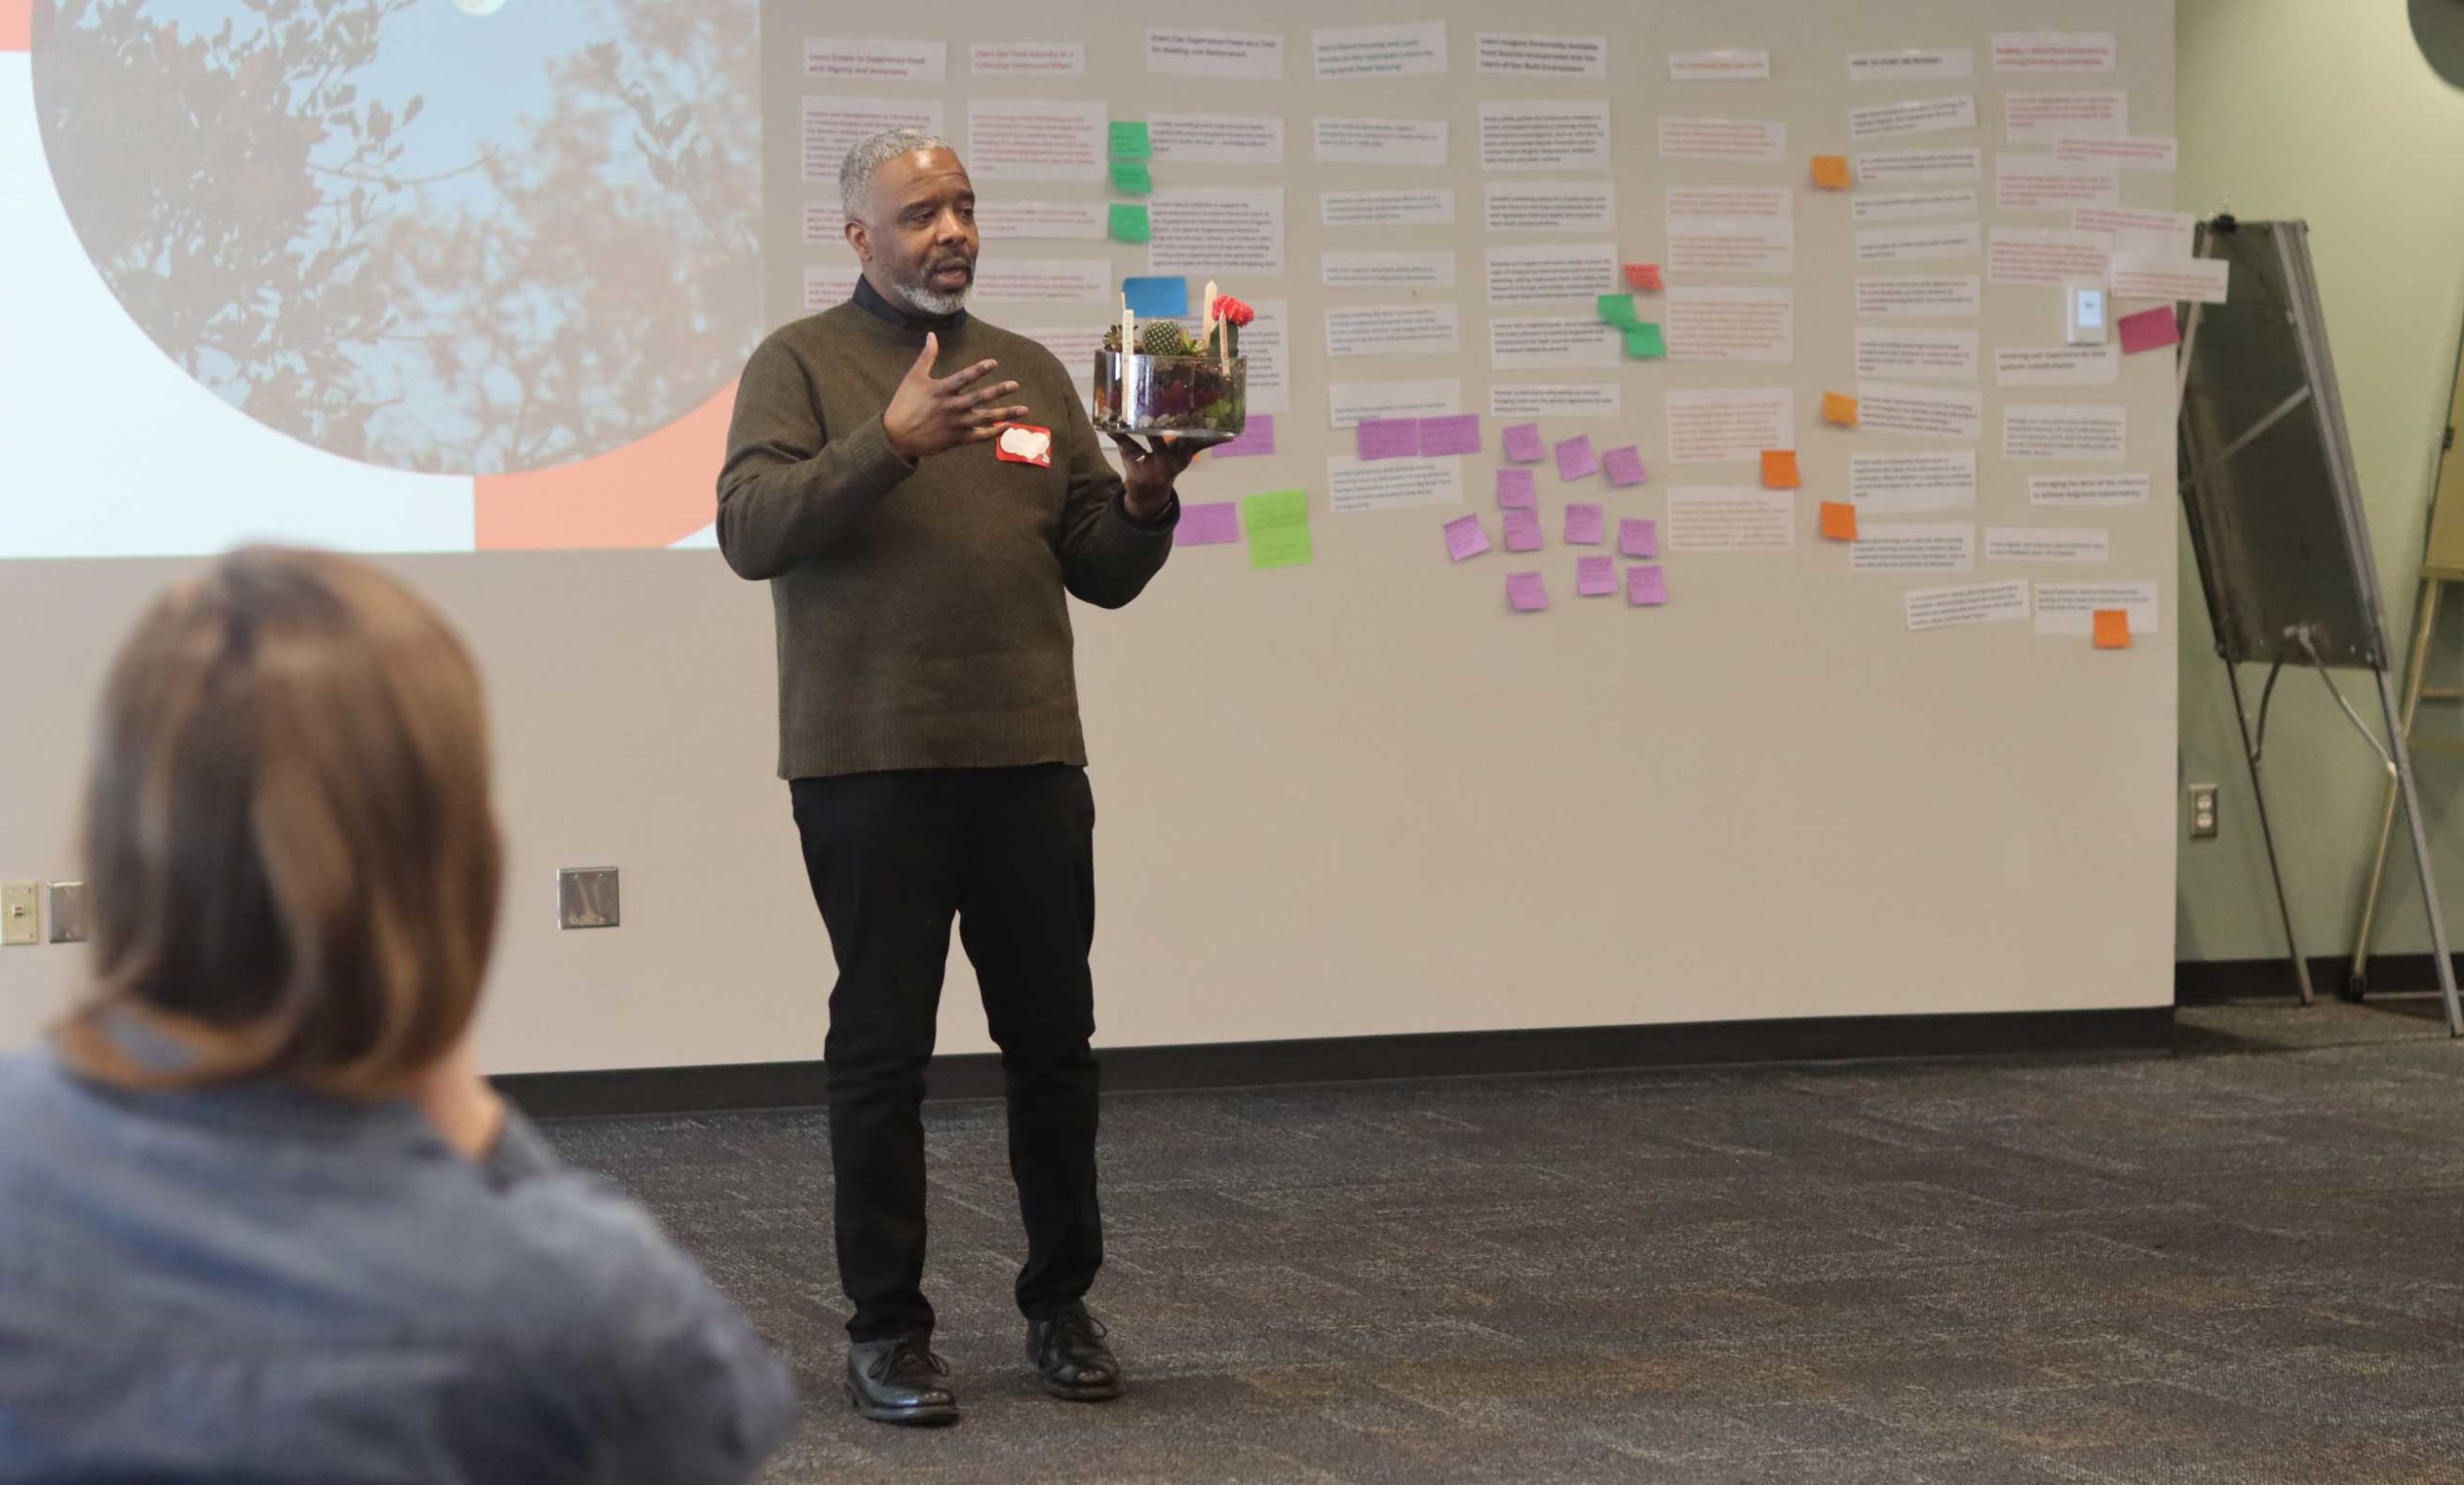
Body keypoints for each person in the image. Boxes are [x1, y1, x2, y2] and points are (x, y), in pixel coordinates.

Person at [0, 547, 797, 1482]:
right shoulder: (585, 1306)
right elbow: (716, 1415)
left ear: (112, 832)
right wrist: (457, 1085)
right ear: (463, 862)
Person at [716, 128, 1196, 1426]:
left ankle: (1060, 1302)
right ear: (859, 235)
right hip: (870, 763)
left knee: (1054, 1044)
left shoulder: (1030, 371)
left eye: (965, 205)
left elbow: (1095, 560)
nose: (952, 230)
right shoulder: (801, 364)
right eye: (922, 209)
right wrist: (892, 438)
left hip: (1030, 755)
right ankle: (888, 1328)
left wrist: (1147, 496)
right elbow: (751, 529)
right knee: (882, 1052)